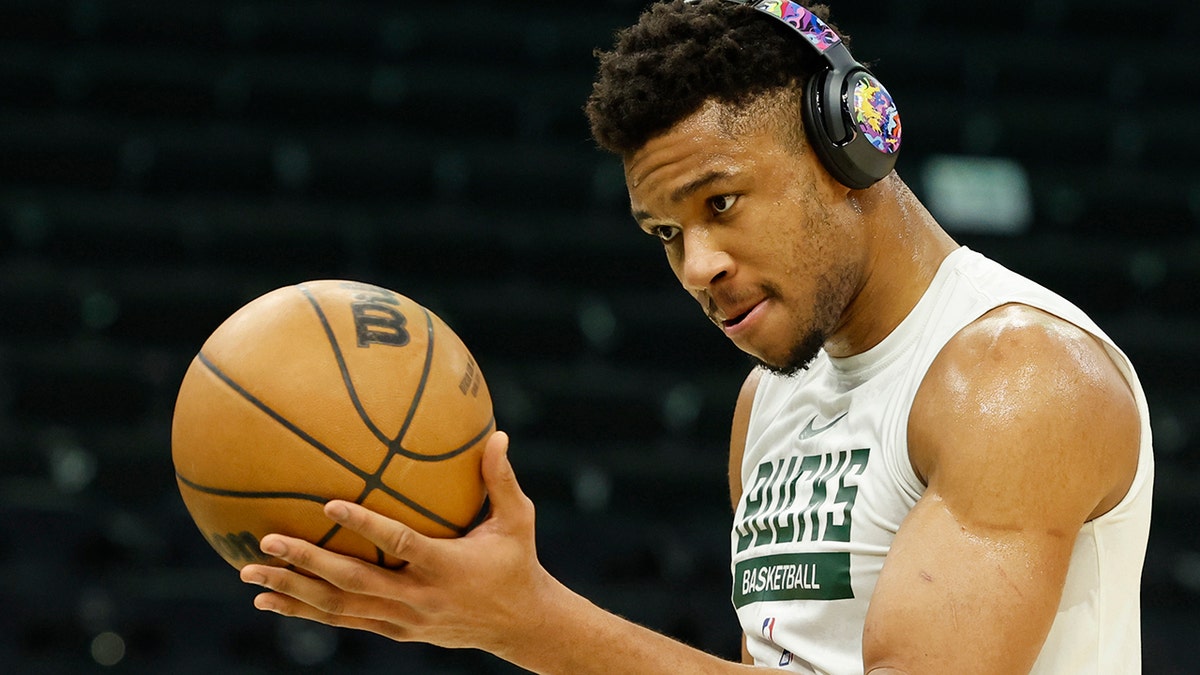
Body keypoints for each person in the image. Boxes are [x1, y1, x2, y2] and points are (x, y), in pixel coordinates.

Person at [237, 1, 1154, 672]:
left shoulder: (1021, 375)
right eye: (666, 233)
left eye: (721, 203)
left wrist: (528, 622)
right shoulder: (768, 403)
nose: (697, 265)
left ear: (852, 153)